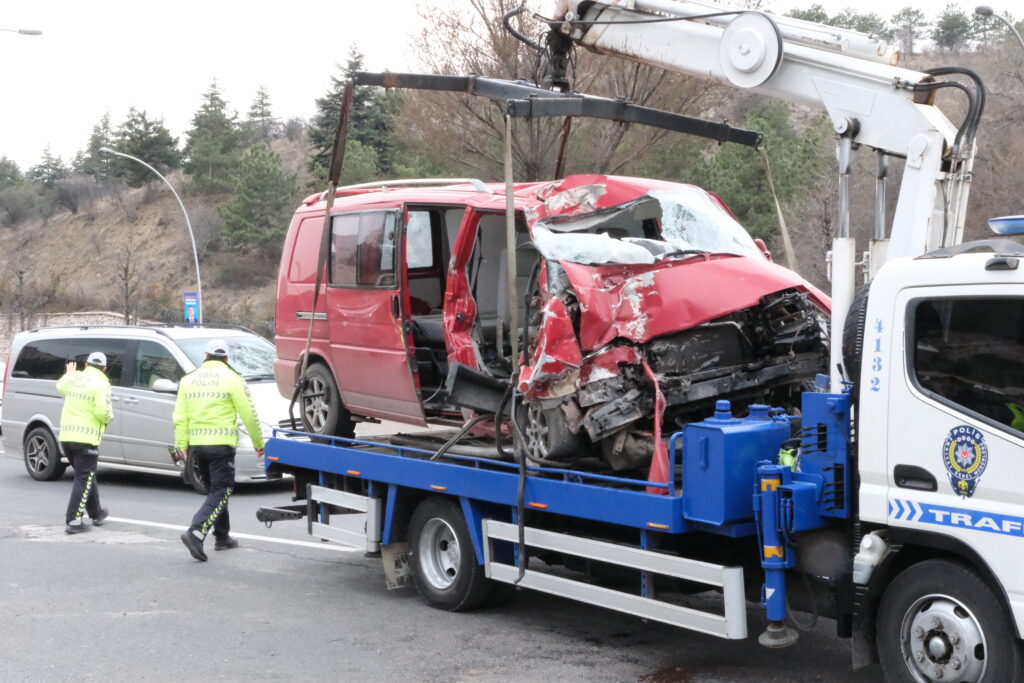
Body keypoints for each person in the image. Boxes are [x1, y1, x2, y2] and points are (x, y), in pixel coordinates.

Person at [174, 339, 265, 561]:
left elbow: (179, 417)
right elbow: (248, 414)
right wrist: (258, 443)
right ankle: (196, 532)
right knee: (221, 490)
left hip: (197, 447)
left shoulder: (188, 380)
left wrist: (181, 446)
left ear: (205, 356)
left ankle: (222, 537)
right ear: (226, 359)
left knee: (215, 490)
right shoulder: (233, 379)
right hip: (221, 445)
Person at [56, 351, 113, 534]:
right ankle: (73, 520)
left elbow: (60, 386)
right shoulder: (102, 383)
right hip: (86, 438)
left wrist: (70, 373)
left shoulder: (74, 378)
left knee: (87, 475)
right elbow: (102, 412)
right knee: (84, 477)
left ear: (87, 365)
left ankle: (96, 513)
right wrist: (109, 418)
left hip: (67, 437)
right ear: (104, 369)